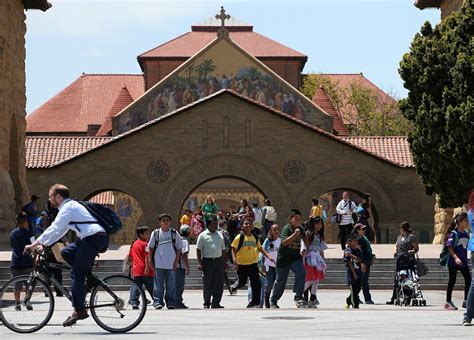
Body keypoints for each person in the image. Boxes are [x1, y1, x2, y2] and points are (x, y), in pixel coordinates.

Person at [24, 184, 109, 327]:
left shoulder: (68, 208)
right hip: (87, 238)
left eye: (50, 197)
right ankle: (90, 277)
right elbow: (59, 230)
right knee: (65, 252)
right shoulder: (68, 208)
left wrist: (33, 245)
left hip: (94, 238)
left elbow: (54, 228)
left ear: (58, 197)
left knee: (76, 273)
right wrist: (44, 244)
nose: (49, 200)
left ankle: (79, 310)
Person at [231, 218, 274, 308]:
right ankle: (235, 285)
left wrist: (268, 256)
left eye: (250, 224)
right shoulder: (239, 237)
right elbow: (233, 248)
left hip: (252, 264)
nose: (248, 225)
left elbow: (260, 248)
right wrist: (234, 259)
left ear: (253, 226)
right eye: (246, 224)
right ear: (242, 226)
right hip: (242, 264)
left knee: (256, 283)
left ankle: (255, 302)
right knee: (242, 282)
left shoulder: (254, 237)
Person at [270, 209, 308, 309]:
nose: (298, 221)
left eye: (299, 219)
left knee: (302, 272)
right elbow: (284, 243)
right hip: (284, 259)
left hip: (295, 257)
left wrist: (306, 248)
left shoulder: (300, 229)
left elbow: (305, 237)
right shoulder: (286, 229)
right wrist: (295, 234)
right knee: (281, 281)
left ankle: (298, 296)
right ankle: (273, 300)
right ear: (290, 219)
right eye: (296, 219)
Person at [147, 213, 183, 309]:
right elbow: (150, 247)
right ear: (159, 222)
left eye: (167, 220)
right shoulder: (156, 233)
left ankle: (170, 302)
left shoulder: (174, 233)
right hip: (159, 263)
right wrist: (150, 260)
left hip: (171, 263)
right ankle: (158, 301)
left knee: (171, 284)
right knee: (158, 285)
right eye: (163, 220)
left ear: (170, 222)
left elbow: (179, 248)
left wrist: (176, 261)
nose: (165, 222)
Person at [196, 215, 227, 308]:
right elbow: (198, 250)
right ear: (208, 225)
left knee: (219, 283)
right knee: (208, 283)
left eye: (216, 224)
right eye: (213, 224)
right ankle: (206, 302)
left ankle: (216, 303)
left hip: (218, 261)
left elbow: (223, 249)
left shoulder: (220, 235)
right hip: (207, 261)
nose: (215, 226)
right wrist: (199, 263)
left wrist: (225, 262)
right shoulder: (202, 236)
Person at [444, 212, 471, 311]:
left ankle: (466, 301)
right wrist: (456, 258)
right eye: (465, 221)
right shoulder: (454, 233)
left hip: (463, 262)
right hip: (453, 262)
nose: (467, 222)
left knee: (468, 280)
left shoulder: (467, 233)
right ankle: (448, 302)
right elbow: (450, 247)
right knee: (452, 281)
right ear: (459, 222)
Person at [386, 221, 419, 304]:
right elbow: (396, 245)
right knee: (397, 279)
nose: (399, 230)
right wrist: (395, 251)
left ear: (404, 229)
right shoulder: (399, 237)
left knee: (407, 276)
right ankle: (394, 298)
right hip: (399, 260)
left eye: (400, 228)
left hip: (408, 260)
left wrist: (411, 251)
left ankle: (408, 295)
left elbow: (416, 248)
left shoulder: (411, 237)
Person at [10, 211, 34, 311]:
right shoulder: (30, 233)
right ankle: (27, 300)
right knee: (29, 284)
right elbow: (33, 247)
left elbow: (12, 245)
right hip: (27, 262)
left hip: (16, 261)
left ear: (16, 222)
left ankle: (17, 304)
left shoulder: (12, 234)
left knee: (16, 285)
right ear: (25, 222)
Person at [301, 216, 327, 308]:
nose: (319, 226)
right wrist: (302, 259)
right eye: (317, 223)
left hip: (317, 259)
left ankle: (312, 299)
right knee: (310, 280)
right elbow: (303, 247)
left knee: (316, 280)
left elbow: (321, 249)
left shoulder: (320, 236)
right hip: (309, 259)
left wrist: (323, 262)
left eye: (320, 224)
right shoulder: (308, 234)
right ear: (313, 224)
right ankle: (299, 295)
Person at [128, 225, 154, 309]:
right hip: (145, 270)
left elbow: (130, 257)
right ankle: (157, 300)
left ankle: (134, 302)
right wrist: (147, 267)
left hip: (136, 270)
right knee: (151, 287)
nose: (149, 235)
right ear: (141, 235)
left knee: (137, 287)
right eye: (146, 234)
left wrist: (132, 266)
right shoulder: (146, 244)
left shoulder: (134, 244)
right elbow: (147, 257)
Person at [353, 223, 374, 304]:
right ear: (358, 230)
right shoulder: (356, 239)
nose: (364, 230)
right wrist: (362, 263)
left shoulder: (364, 238)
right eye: (362, 229)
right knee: (363, 281)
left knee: (363, 281)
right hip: (362, 263)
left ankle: (355, 297)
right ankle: (367, 298)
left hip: (367, 261)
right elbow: (358, 252)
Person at [260, 224, 281, 308]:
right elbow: (262, 252)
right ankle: (266, 298)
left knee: (276, 284)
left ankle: (273, 300)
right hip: (268, 265)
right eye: (274, 230)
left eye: (277, 229)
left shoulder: (280, 241)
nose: (276, 231)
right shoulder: (267, 241)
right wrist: (263, 265)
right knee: (270, 283)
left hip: (277, 266)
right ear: (271, 231)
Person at [343, 235, 365, 309]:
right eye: (354, 241)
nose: (356, 242)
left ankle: (348, 300)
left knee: (358, 289)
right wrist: (354, 273)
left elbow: (360, 260)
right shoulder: (347, 250)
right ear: (349, 242)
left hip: (359, 272)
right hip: (351, 274)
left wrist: (352, 256)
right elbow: (349, 262)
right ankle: (355, 305)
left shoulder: (358, 251)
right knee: (353, 290)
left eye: (356, 240)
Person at [175, 224, 191, 309]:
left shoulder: (177, 240)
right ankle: (178, 302)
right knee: (180, 285)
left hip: (174, 265)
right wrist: (187, 267)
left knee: (175, 284)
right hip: (180, 266)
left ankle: (174, 301)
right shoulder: (185, 241)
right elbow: (184, 254)